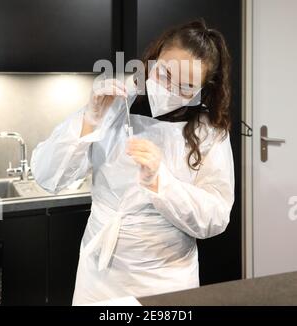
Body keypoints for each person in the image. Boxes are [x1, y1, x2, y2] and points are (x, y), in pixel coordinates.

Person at [31, 19, 235, 305]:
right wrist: (89, 121)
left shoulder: (208, 132)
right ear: (154, 59)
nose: (171, 90)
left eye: (187, 87)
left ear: (204, 87)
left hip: (166, 278)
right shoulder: (115, 101)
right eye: (165, 74)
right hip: (99, 275)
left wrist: (162, 183)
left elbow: (215, 217)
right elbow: (48, 176)